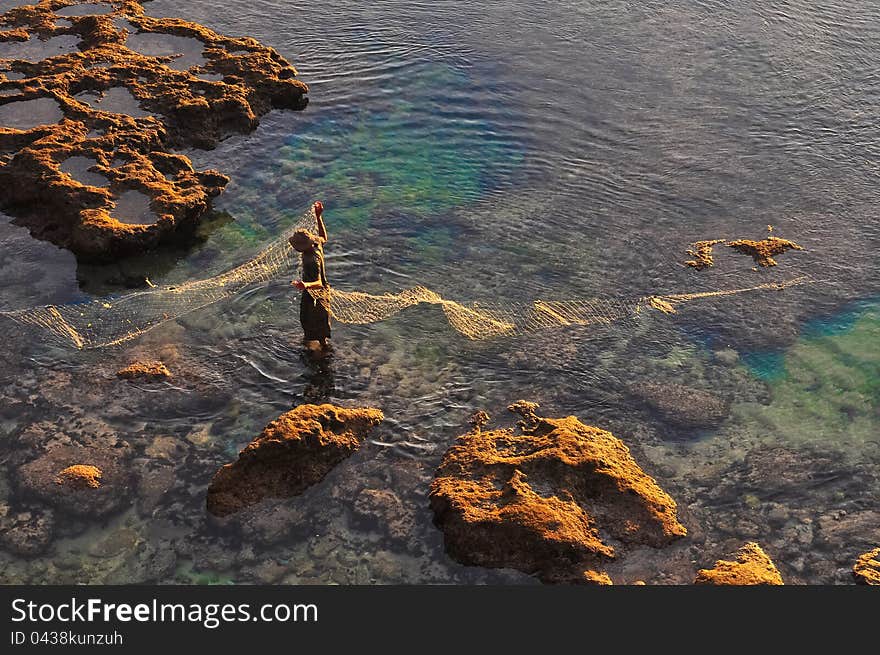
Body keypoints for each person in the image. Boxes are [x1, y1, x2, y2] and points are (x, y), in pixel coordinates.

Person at [290, 201, 331, 354]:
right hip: (323, 291)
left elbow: (319, 283)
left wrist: (305, 286)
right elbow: (323, 237)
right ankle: (321, 345)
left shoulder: (309, 261)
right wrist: (319, 217)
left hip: (315, 293)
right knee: (320, 321)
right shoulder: (316, 244)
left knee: (309, 319)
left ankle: (319, 350)